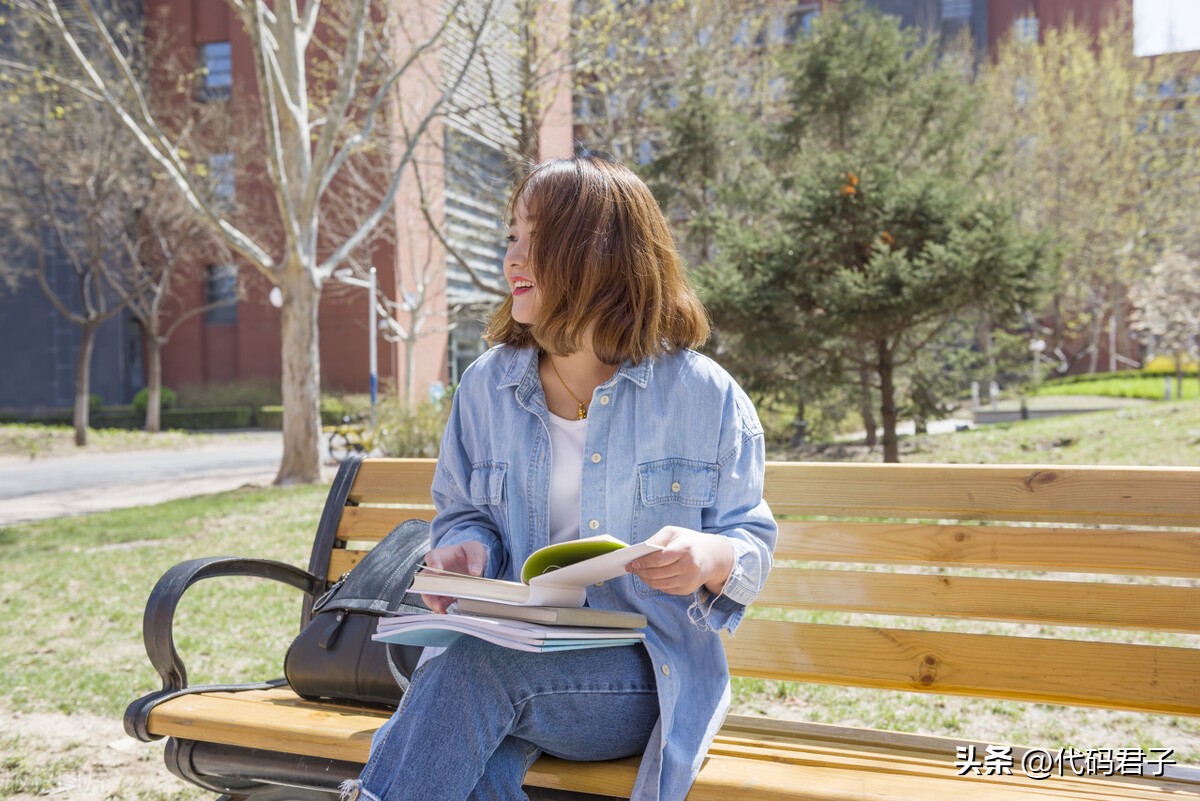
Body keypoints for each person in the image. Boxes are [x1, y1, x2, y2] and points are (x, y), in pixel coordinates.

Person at [341, 157, 777, 801]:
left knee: (474, 675)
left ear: (602, 253)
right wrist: (465, 547)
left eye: (537, 240)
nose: (513, 258)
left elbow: (750, 540)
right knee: (476, 754)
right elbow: (464, 512)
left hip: (641, 676)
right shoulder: (485, 386)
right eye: (511, 236)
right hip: (507, 652)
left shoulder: (701, 394)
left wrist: (709, 557)